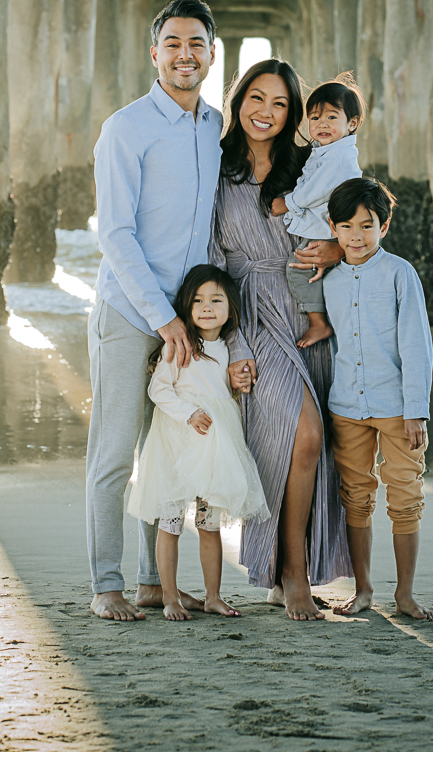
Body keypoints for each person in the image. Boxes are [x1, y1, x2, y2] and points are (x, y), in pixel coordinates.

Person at [87, 0, 254, 622]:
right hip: (133, 316)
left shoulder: (216, 129)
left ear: (213, 56)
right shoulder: (125, 128)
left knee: (165, 453)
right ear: (155, 53)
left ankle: (154, 584)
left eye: (198, 45)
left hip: (191, 322)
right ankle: (107, 585)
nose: (186, 55)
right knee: (114, 453)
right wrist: (163, 317)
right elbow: (115, 235)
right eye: (174, 44)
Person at [210, 58, 352, 621]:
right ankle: (291, 573)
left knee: (311, 452)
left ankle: (286, 571)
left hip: (313, 310)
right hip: (251, 311)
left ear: (292, 114)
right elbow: (212, 261)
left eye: (280, 104)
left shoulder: (307, 165)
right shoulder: (214, 168)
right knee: (302, 436)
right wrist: (233, 346)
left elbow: (355, 223)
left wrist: (338, 249)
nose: (266, 113)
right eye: (256, 99)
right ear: (238, 100)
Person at [128, 265, 270, 621]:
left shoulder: (229, 349)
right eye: (198, 300)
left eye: (216, 300)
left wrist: (241, 386)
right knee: (171, 524)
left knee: (210, 526)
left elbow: (231, 393)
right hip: (178, 442)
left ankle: (212, 596)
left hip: (215, 448)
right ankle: (171, 598)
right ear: (186, 306)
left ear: (230, 307)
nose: (207, 307)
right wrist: (188, 412)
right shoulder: (180, 346)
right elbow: (158, 389)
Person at [323, 177, 433, 621]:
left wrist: (416, 411)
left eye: (367, 225)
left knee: (405, 498)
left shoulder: (399, 273)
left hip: (397, 410)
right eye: (347, 226)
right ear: (333, 228)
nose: (356, 235)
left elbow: (416, 345)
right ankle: (364, 588)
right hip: (346, 407)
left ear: (384, 227)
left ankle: (405, 594)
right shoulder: (328, 279)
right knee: (355, 497)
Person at [271, 75, 363, 349]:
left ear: (352, 123)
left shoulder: (338, 157)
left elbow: (316, 190)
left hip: (327, 226)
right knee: (316, 270)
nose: (321, 124)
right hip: (327, 224)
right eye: (314, 118)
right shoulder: (325, 150)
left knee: (299, 268)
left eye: (332, 118)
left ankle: (319, 322)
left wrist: (287, 203)